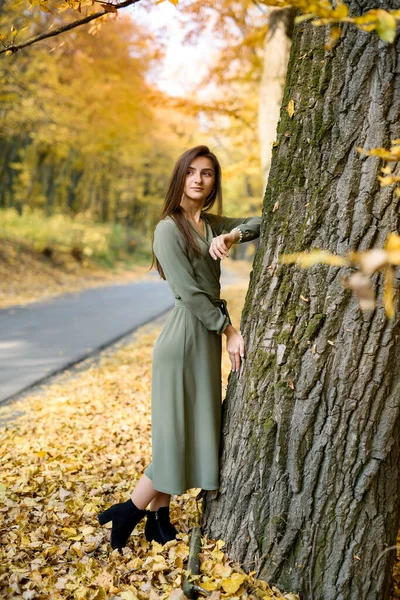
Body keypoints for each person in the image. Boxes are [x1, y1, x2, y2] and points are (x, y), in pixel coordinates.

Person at [97, 145, 261, 552]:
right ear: (180, 178)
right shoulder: (167, 229)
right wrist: (228, 329)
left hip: (202, 340)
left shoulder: (211, 225)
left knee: (188, 430)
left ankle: (158, 519)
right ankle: (129, 511)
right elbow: (188, 291)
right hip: (185, 337)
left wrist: (232, 234)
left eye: (207, 173)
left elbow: (263, 220)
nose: (198, 179)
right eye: (191, 171)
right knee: (174, 438)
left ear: (213, 182)